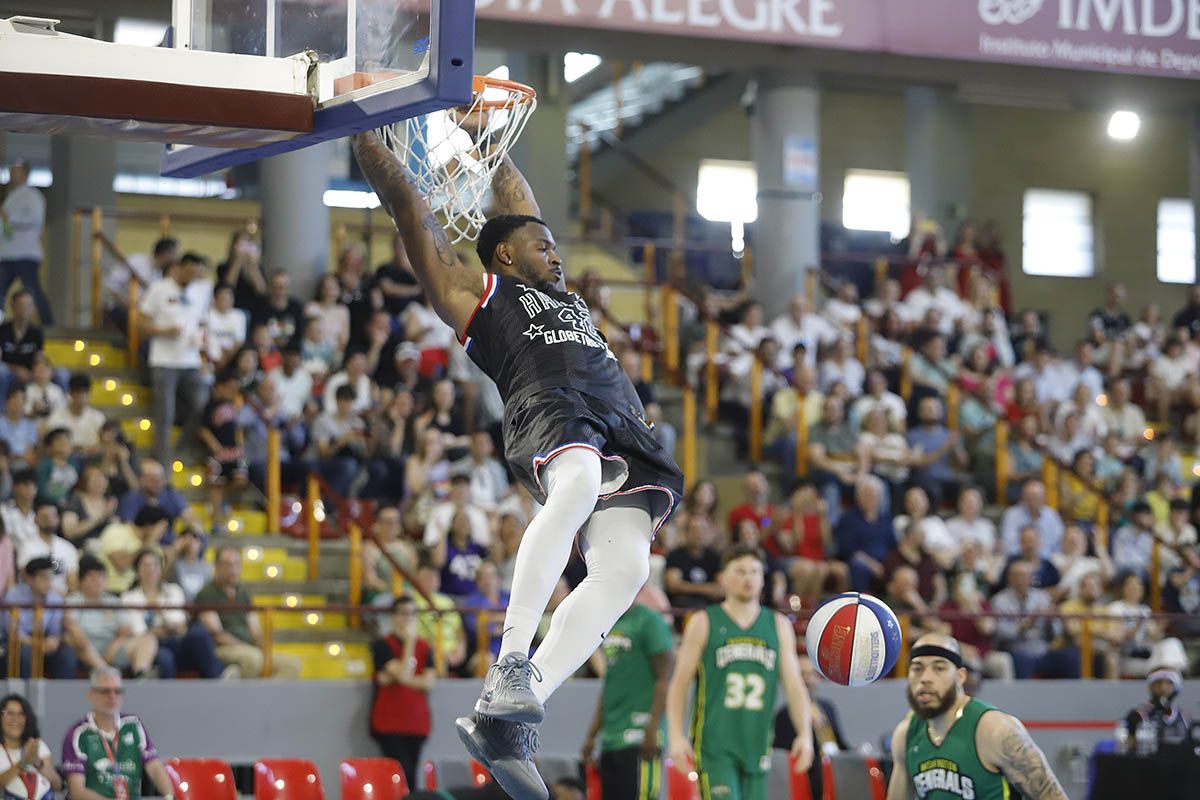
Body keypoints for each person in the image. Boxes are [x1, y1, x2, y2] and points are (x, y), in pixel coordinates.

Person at [354, 128, 684, 800]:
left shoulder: (568, 297)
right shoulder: (476, 294)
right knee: (581, 478)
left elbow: (522, 207)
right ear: (505, 254)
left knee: (628, 567)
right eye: (542, 246)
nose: (555, 252)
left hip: (622, 423)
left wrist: (491, 147)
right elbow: (412, 210)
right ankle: (509, 663)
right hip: (549, 407)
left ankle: (513, 713)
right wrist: (368, 136)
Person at [665, 546, 814, 800]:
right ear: (723, 577)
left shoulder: (778, 625)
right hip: (715, 747)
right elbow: (679, 684)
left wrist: (805, 734)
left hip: (757, 744)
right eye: (741, 571)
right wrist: (676, 736)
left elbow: (793, 685)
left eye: (755, 572)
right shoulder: (704, 621)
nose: (749, 578)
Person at [885, 633, 1068, 799]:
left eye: (939, 668)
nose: (925, 678)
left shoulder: (996, 730)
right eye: (917, 669)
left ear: (960, 676)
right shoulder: (905, 734)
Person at [580, 597, 674, 800]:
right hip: (611, 737)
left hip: (640, 736)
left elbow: (665, 678)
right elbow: (610, 683)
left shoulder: (649, 621)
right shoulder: (610, 623)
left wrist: (653, 729)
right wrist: (592, 734)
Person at [138, 253, 212, 463]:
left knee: (204, 405)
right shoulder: (159, 289)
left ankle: (180, 448)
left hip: (191, 360)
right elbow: (140, 322)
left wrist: (203, 352)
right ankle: (162, 462)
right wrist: (163, 331)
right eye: (190, 272)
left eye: (197, 274)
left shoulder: (200, 291)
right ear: (179, 268)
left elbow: (202, 323)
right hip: (164, 361)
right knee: (165, 415)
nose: (193, 278)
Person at [61, 667, 177, 800]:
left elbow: (154, 766)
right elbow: (77, 791)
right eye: (105, 691)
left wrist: (169, 796)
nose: (112, 696)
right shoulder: (78, 734)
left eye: (117, 691)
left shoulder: (133, 725)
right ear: (91, 695)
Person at [194, 546, 302, 679]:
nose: (233, 569)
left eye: (237, 564)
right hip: (222, 649)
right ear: (216, 566)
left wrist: (263, 648)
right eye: (227, 564)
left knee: (292, 664)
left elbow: (255, 629)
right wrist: (247, 648)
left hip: (248, 649)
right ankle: (246, 698)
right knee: (252, 659)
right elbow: (217, 635)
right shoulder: (206, 594)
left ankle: (266, 697)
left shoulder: (243, 594)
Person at [371, 596, 434, 791]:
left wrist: (400, 678)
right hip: (389, 723)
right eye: (403, 613)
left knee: (412, 778)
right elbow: (403, 672)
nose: (408, 618)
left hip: (416, 723)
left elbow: (429, 682)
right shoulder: (382, 646)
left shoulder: (425, 647)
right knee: (398, 775)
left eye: (412, 614)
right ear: (393, 616)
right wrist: (409, 644)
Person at [65, 555, 158, 678]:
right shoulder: (73, 600)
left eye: (101, 576)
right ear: (82, 581)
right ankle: (106, 674)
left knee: (148, 639)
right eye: (92, 577)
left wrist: (114, 646)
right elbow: (71, 625)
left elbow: (125, 629)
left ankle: (141, 675)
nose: (98, 581)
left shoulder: (113, 601)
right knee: (73, 638)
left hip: (111, 648)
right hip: (85, 649)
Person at [3, 558, 78, 679]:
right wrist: (38, 644)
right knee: (25, 654)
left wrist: (54, 640)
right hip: (19, 642)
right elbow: (14, 633)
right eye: (43, 577)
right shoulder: (13, 596)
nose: (48, 582)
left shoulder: (56, 599)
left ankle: (61, 696)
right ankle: (25, 696)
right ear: (29, 579)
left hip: (44, 639)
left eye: (50, 577)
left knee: (67, 655)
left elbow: (55, 631)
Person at [0, 162, 51, 324]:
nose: (13, 175)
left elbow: (35, 220)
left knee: (33, 291)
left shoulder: (33, 196)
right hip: (8, 253)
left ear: (25, 174)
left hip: (26, 253)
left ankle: (48, 323)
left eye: (16, 172)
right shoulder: (11, 197)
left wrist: (10, 219)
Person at [0, 693, 62, 800]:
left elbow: (57, 785)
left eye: (21, 714)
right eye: (9, 713)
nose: (15, 719)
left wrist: (38, 763)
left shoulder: (36, 745)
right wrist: (23, 763)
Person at [1122, 666, 1192, 746]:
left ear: (1176, 687)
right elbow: (1128, 749)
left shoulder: (1184, 717)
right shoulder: (1137, 715)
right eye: (1158, 683)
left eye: (1168, 683)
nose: (1163, 688)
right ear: (1150, 687)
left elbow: (1189, 747)